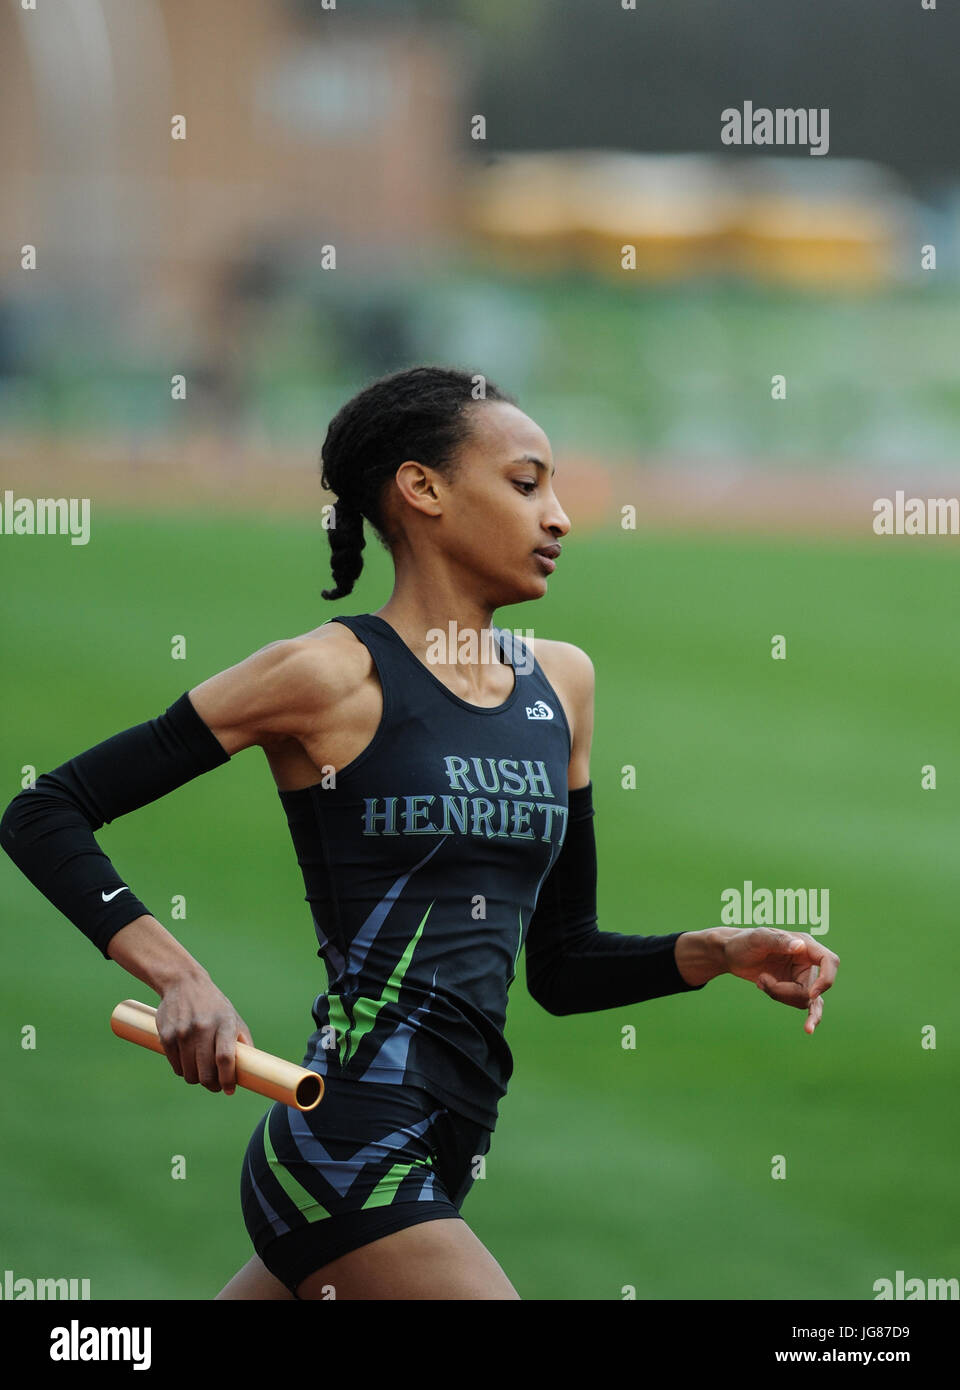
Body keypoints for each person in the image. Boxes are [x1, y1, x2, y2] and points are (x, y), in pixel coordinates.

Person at [0, 364, 839, 1301]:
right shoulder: (326, 676)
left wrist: (718, 950)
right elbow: (45, 807)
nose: (559, 515)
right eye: (526, 484)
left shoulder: (561, 684)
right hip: (349, 1138)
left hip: (445, 1150)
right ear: (422, 488)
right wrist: (178, 976)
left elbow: (561, 964)